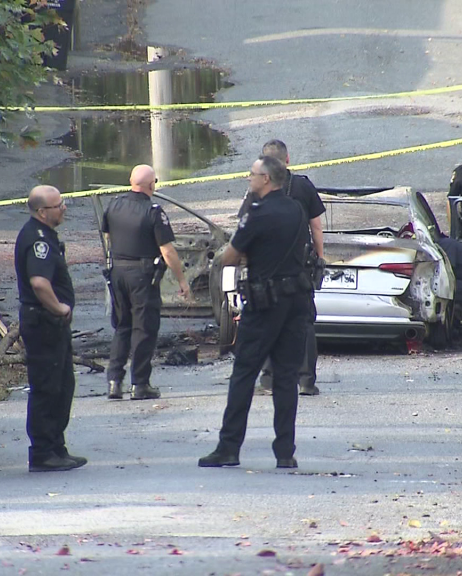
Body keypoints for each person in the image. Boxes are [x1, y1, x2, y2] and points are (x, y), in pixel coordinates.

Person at [199, 155, 315, 470]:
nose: (249, 179)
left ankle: (228, 448)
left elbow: (230, 257)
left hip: (265, 304)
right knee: (287, 377)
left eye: (251, 175)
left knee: (244, 374)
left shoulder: (257, 213)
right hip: (296, 301)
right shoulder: (295, 208)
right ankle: (285, 453)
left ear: (266, 179)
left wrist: (241, 256)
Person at [239, 139, 325, 396]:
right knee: (304, 322)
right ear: (287, 160)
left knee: (266, 319)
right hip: (299, 266)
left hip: (266, 267)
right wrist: (320, 257)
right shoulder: (303, 186)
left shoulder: (257, 189)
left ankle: (268, 379)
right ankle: (306, 380)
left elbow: (244, 226)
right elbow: (316, 226)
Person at [102, 164, 191, 401]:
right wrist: (182, 280)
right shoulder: (153, 211)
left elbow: (108, 236)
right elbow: (168, 251)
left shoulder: (114, 204)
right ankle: (140, 384)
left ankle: (114, 381)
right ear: (151, 185)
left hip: (117, 273)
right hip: (143, 276)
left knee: (122, 327)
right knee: (144, 329)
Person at [14, 185, 87, 472]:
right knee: (47, 387)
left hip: (50, 324)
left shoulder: (44, 235)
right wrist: (59, 308)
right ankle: (43, 452)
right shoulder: (38, 240)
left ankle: (56, 446)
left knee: (62, 386)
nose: (64, 208)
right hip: (43, 322)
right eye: (58, 205)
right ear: (42, 212)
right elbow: (39, 283)